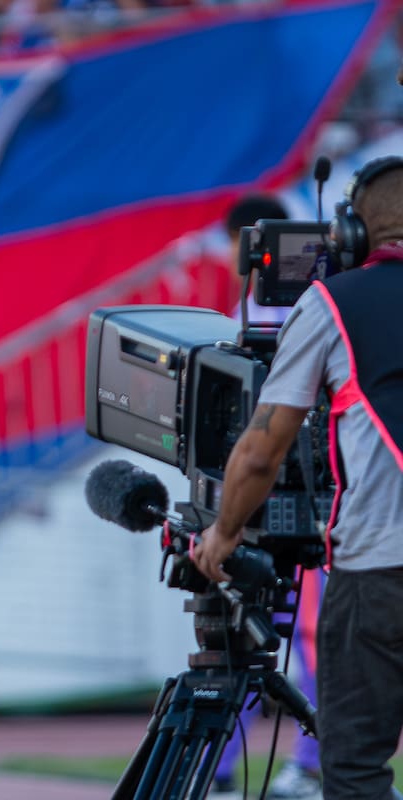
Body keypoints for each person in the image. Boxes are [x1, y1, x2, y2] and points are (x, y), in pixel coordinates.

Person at [193, 156, 403, 800]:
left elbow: (261, 452)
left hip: (379, 569)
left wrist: (224, 533)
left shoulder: (333, 302)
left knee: (356, 765)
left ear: (351, 236)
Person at [208, 194, 324, 800]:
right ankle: (222, 767)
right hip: (267, 494)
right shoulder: (245, 311)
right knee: (247, 633)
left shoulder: (318, 307)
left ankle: (309, 765)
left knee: (306, 636)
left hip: (307, 495)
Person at [226, 193, 293, 325]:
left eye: (250, 238)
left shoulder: (299, 305)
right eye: (233, 238)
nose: (237, 249)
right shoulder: (243, 309)